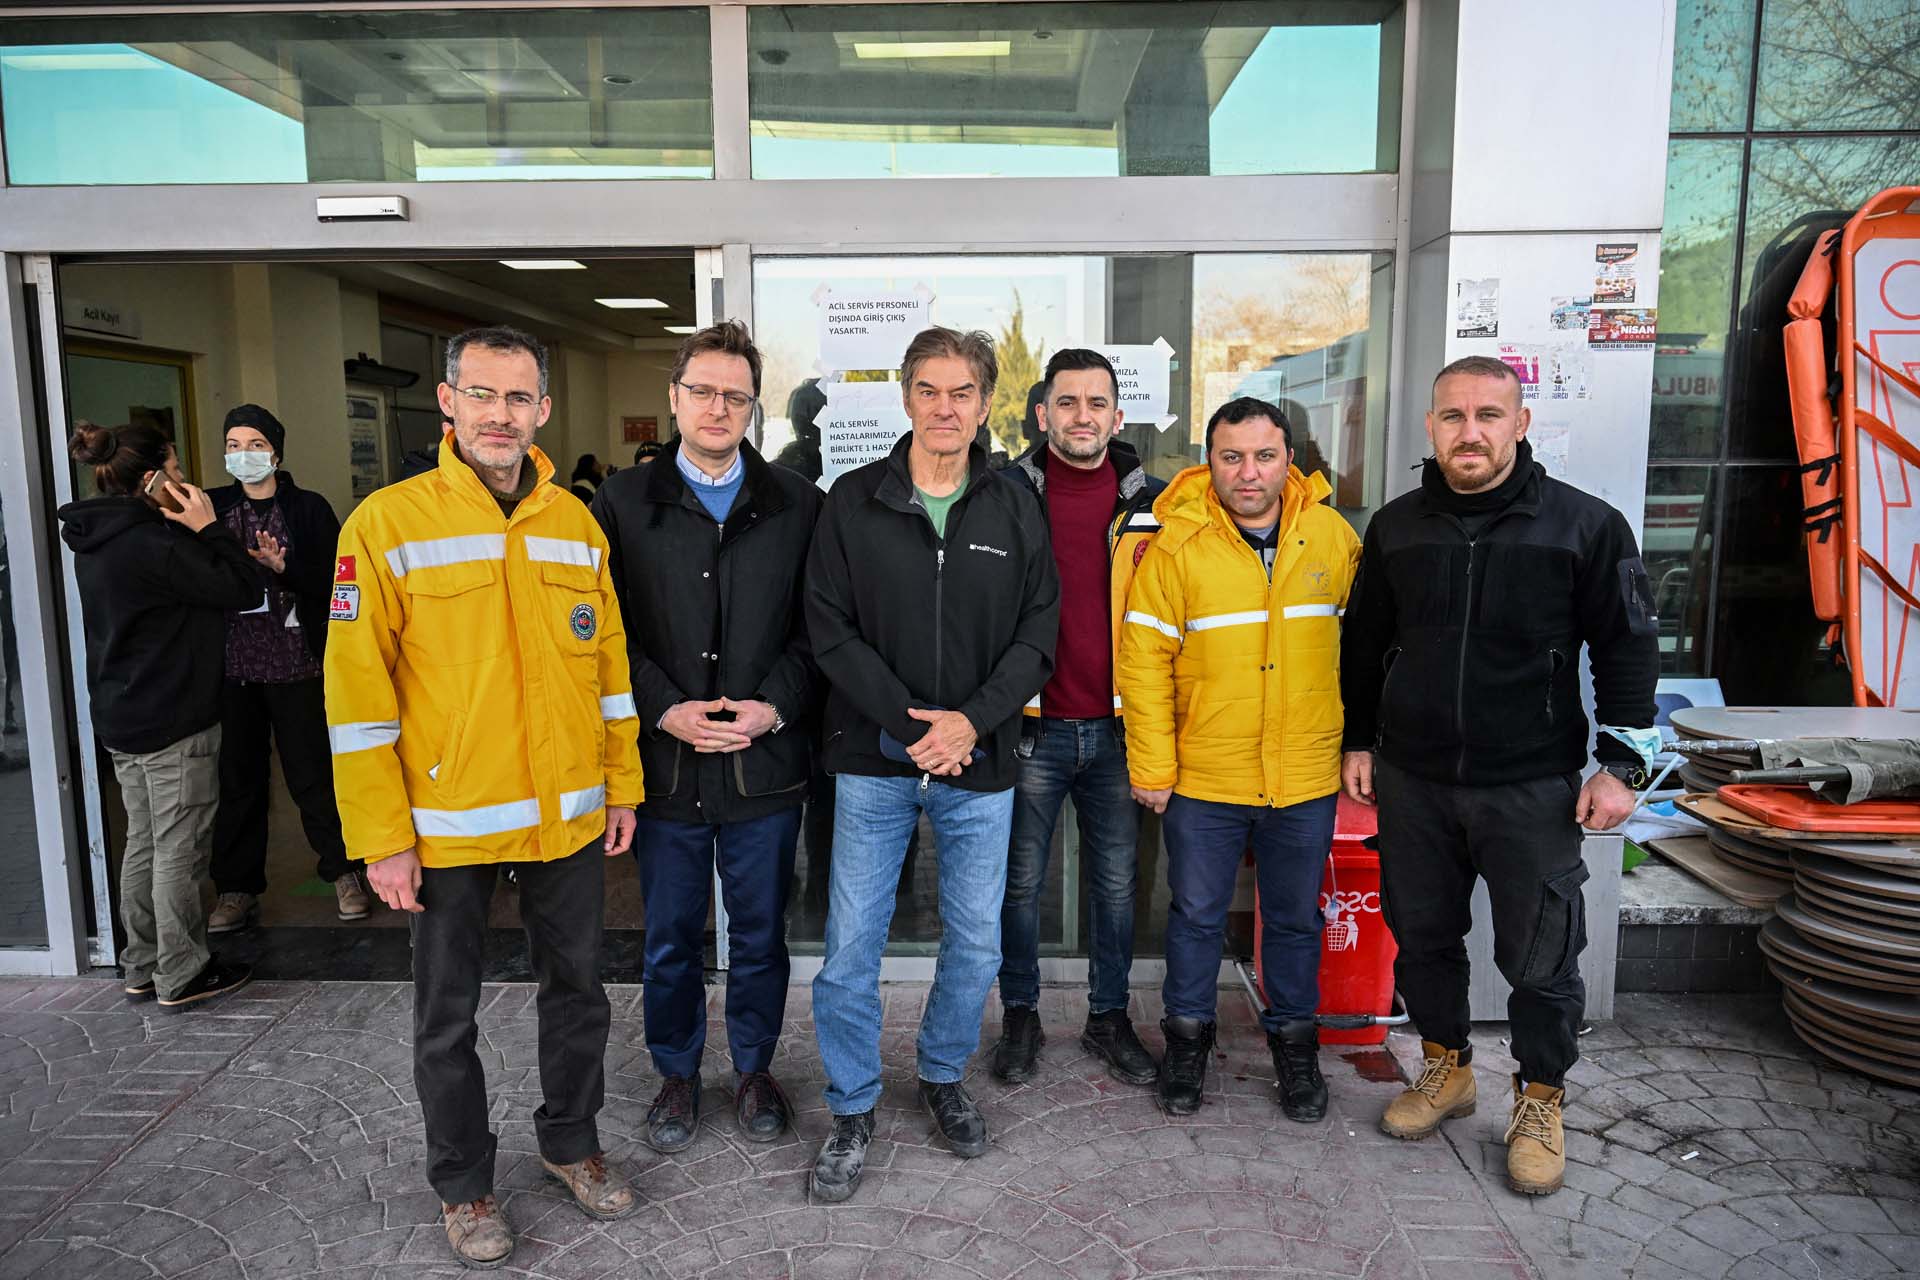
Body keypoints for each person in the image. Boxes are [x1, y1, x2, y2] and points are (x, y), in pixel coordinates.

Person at [325, 325, 645, 1267]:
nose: (499, 415)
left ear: (543, 409)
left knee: (578, 994)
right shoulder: (385, 525)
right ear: (448, 402)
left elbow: (610, 672)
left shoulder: (576, 524)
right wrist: (381, 837)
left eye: (517, 398)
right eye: (481, 394)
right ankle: (464, 1185)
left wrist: (620, 785)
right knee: (446, 1018)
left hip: (567, 818)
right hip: (444, 827)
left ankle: (571, 1145)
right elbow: (355, 700)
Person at [1339, 355, 1658, 1197]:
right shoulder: (1397, 527)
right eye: (1453, 416)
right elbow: (1364, 644)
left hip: (1532, 785)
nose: (1470, 432)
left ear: (1520, 424)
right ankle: (1446, 1068)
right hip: (1414, 779)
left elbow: (1627, 648)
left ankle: (1540, 1099)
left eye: (1488, 415)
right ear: (1431, 427)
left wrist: (1622, 766)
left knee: (1541, 959)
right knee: (1423, 938)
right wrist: (1360, 740)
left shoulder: (1585, 526)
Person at [805, 327, 1060, 1203]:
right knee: (851, 945)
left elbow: (1039, 633)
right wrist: (912, 725)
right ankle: (852, 1105)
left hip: (978, 762)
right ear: (906, 397)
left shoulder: (1015, 505)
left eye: (961, 393)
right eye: (928, 390)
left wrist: (970, 722)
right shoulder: (853, 500)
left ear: (985, 404)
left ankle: (943, 1074)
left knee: (977, 940)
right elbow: (828, 628)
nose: (944, 408)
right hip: (872, 761)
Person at [591, 321, 821, 1155]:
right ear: (674, 398)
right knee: (670, 940)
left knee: (760, 936)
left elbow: (821, 631)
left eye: (735, 395)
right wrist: (662, 708)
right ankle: (677, 1073)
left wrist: (772, 707)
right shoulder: (620, 503)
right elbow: (603, 634)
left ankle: (755, 1069)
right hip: (667, 769)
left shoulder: (799, 504)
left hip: (765, 769)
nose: (718, 407)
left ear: (754, 406)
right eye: (702, 391)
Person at [1117, 396, 1360, 1121]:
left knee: (1294, 921)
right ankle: (1187, 1043)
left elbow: (1365, 653)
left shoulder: (1332, 536)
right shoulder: (1176, 546)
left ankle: (1295, 1048)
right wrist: (1152, 769)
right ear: (1210, 462)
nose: (1248, 472)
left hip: (1304, 774)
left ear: (1290, 460)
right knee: (1195, 917)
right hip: (1205, 776)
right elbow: (1142, 664)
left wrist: (1361, 745)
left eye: (1263, 456)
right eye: (1232, 457)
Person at [990, 349, 1164, 1089]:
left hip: (1121, 730)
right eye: (1067, 402)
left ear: (1118, 417)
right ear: (1042, 414)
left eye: (1096, 403)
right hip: (1032, 727)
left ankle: (1108, 1017)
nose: (1082, 416)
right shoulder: (1003, 495)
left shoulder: (1156, 504)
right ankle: (1020, 1015)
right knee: (1020, 885)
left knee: (1117, 887)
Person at [57, 422, 261, 1010]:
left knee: (144, 842)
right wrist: (209, 527)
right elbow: (243, 588)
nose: (183, 478)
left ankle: (142, 966)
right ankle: (183, 973)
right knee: (180, 848)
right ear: (150, 478)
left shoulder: (95, 538)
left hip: (123, 714)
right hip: (174, 719)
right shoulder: (156, 545)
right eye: (174, 468)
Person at [203, 404, 363, 932]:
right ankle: (236, 888)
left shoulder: (308, 509)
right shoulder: (213, 508)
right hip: (235, 669)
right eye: (233, 445)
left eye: (254, 444)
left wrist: (284, 566)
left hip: (299, 666)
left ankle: (344, 872)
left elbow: (339, 583)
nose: (242, 455)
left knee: (313, 776)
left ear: (276, 452)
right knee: (240, 781)